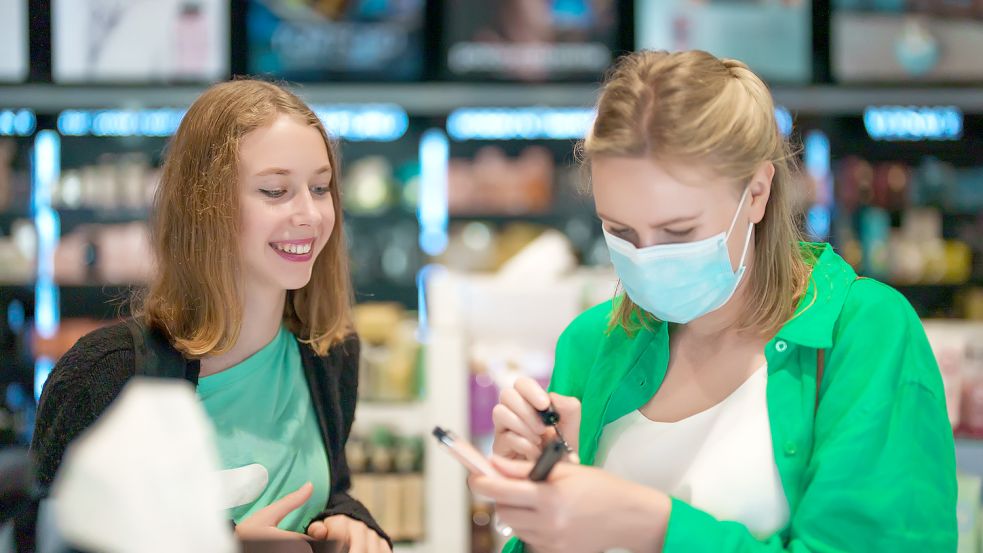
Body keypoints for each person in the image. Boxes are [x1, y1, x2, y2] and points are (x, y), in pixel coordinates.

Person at [470, 50, 957, 553]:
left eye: (678, 231)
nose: (647, 258)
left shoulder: (866, 334)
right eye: (620, 231)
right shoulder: (594, 344)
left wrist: (652, 525)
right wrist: (541, 513)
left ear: (757, 193)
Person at [31, 80, 392, 553]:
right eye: (275, 190)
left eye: (320, 187)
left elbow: (328, 489)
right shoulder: (107, 373)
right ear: (206, 207)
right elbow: (48, 536)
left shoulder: (329, 353)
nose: (310, 214)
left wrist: (349, 522)